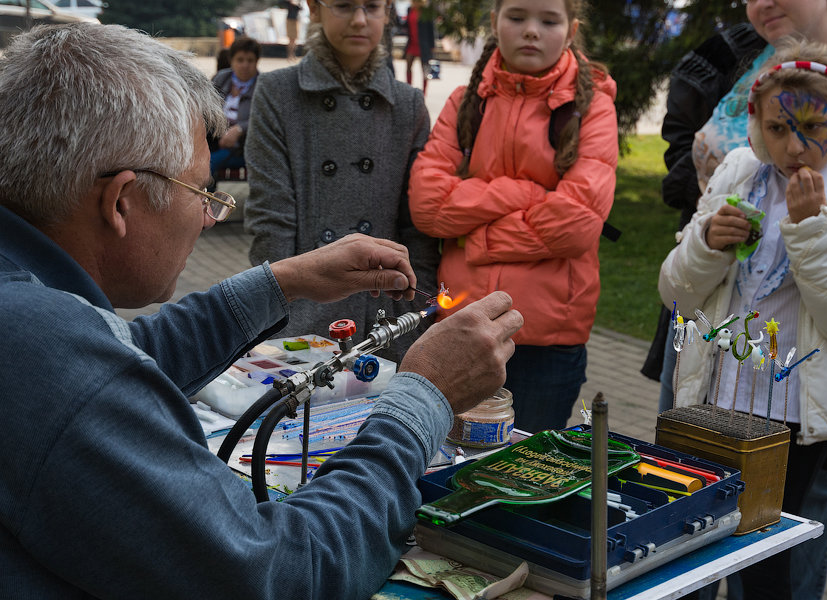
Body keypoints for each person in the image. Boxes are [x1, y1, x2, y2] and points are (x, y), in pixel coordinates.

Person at [0, 22, 523, 599]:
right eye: (203, 193)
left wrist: (282, 283)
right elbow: (282, 572)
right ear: (121, 201)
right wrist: (424, 400)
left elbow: (114, 358)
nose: (210, 218)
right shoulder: (49, 363)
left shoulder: (29, 310)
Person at [646, 5, 827, 595]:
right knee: (691, 545)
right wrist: (707, 244)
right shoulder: (739, 173)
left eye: (814, 127)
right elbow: (676, 292)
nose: (795, 146)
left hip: (794, 416)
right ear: (758, 123)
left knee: (767, 566)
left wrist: (815, 231)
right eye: (780, 128)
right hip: (715, 397)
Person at [408, 0, 617, 433]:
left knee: (530, 476)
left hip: (547, 341)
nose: (531, 31)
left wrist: (477, 240)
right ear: (495, 22)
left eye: (548, 20)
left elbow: (575, 221)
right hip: (463, 322)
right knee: (449, 466)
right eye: (517, 17)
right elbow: (428, 205)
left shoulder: (592, 107)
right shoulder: (466, 102)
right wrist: (523, 192)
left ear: (571, 29)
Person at [244, 0, 439, 365]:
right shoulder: (277, 93)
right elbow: (270, 221)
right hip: (301, 319)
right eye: (345, 6)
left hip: (385, 321)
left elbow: (418, 232)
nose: (360, 20)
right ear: (315, 9)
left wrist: (414, 314)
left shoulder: (409, 104)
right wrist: (282, 318)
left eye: (372, 6)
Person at [209, 36, 261, 182]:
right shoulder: (221, 79)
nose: (245, 65)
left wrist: (239, 129)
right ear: (231, 60)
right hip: (215, 142)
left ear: (257, 62)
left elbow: (265, 119)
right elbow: (205, 108)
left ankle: (205, 201)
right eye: (240, 60)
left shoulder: (263, 85)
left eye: (250, 60)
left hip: (245, 149)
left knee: (207, 165)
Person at [403, 0, 435, 95]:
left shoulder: (426, 11)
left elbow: (431, 29)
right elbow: (406, 25)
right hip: (412, 44)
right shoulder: (410, 10)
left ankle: (423, 93)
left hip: (423, 45)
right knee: (408, 66)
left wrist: (432, 46)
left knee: (425, 69)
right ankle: (408, 89)